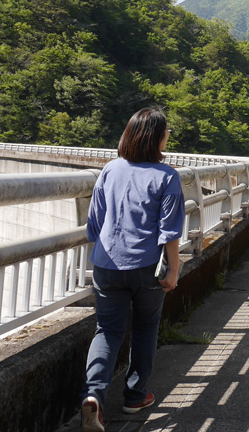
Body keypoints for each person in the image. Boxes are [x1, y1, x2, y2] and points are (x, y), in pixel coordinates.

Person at [80, 108, 184, 432]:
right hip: (147, 268)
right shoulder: (167, 176)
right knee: (145, 327)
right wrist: (173, 270)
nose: (168, 135)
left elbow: (93, 225)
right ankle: (135, 397)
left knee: (107, 331)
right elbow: (169, 233)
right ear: (157, 138)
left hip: (106, 264)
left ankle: (93, 396)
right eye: (166, 131)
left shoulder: (110, 170)